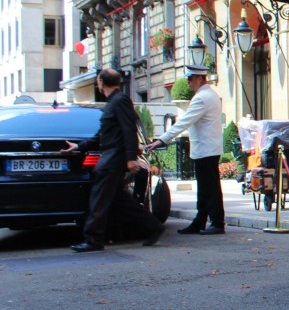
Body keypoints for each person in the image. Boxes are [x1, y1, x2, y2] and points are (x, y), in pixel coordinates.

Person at [63, 68, 164, 252]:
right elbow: (101, 135)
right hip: (111, 158)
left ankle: (93, 239)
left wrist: (131, 158)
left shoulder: (120, 101)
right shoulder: (112, 103)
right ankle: (153, 227)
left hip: (113, 160)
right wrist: (78, 146)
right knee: (119, 201)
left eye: (98, 80)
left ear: (101, 82)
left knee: (98, 199)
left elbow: (129, 129)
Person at [145, 64, 225, 235]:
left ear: (199, 78)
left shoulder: (202, 97)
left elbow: (184, 122)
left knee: (209, 188)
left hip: (205, 149)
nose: (188, 82)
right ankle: (201, 221)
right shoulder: (209, 95)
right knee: (205, 188)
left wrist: (162, 140)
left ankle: (216, 222)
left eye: (190, 79)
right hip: (208, 148)